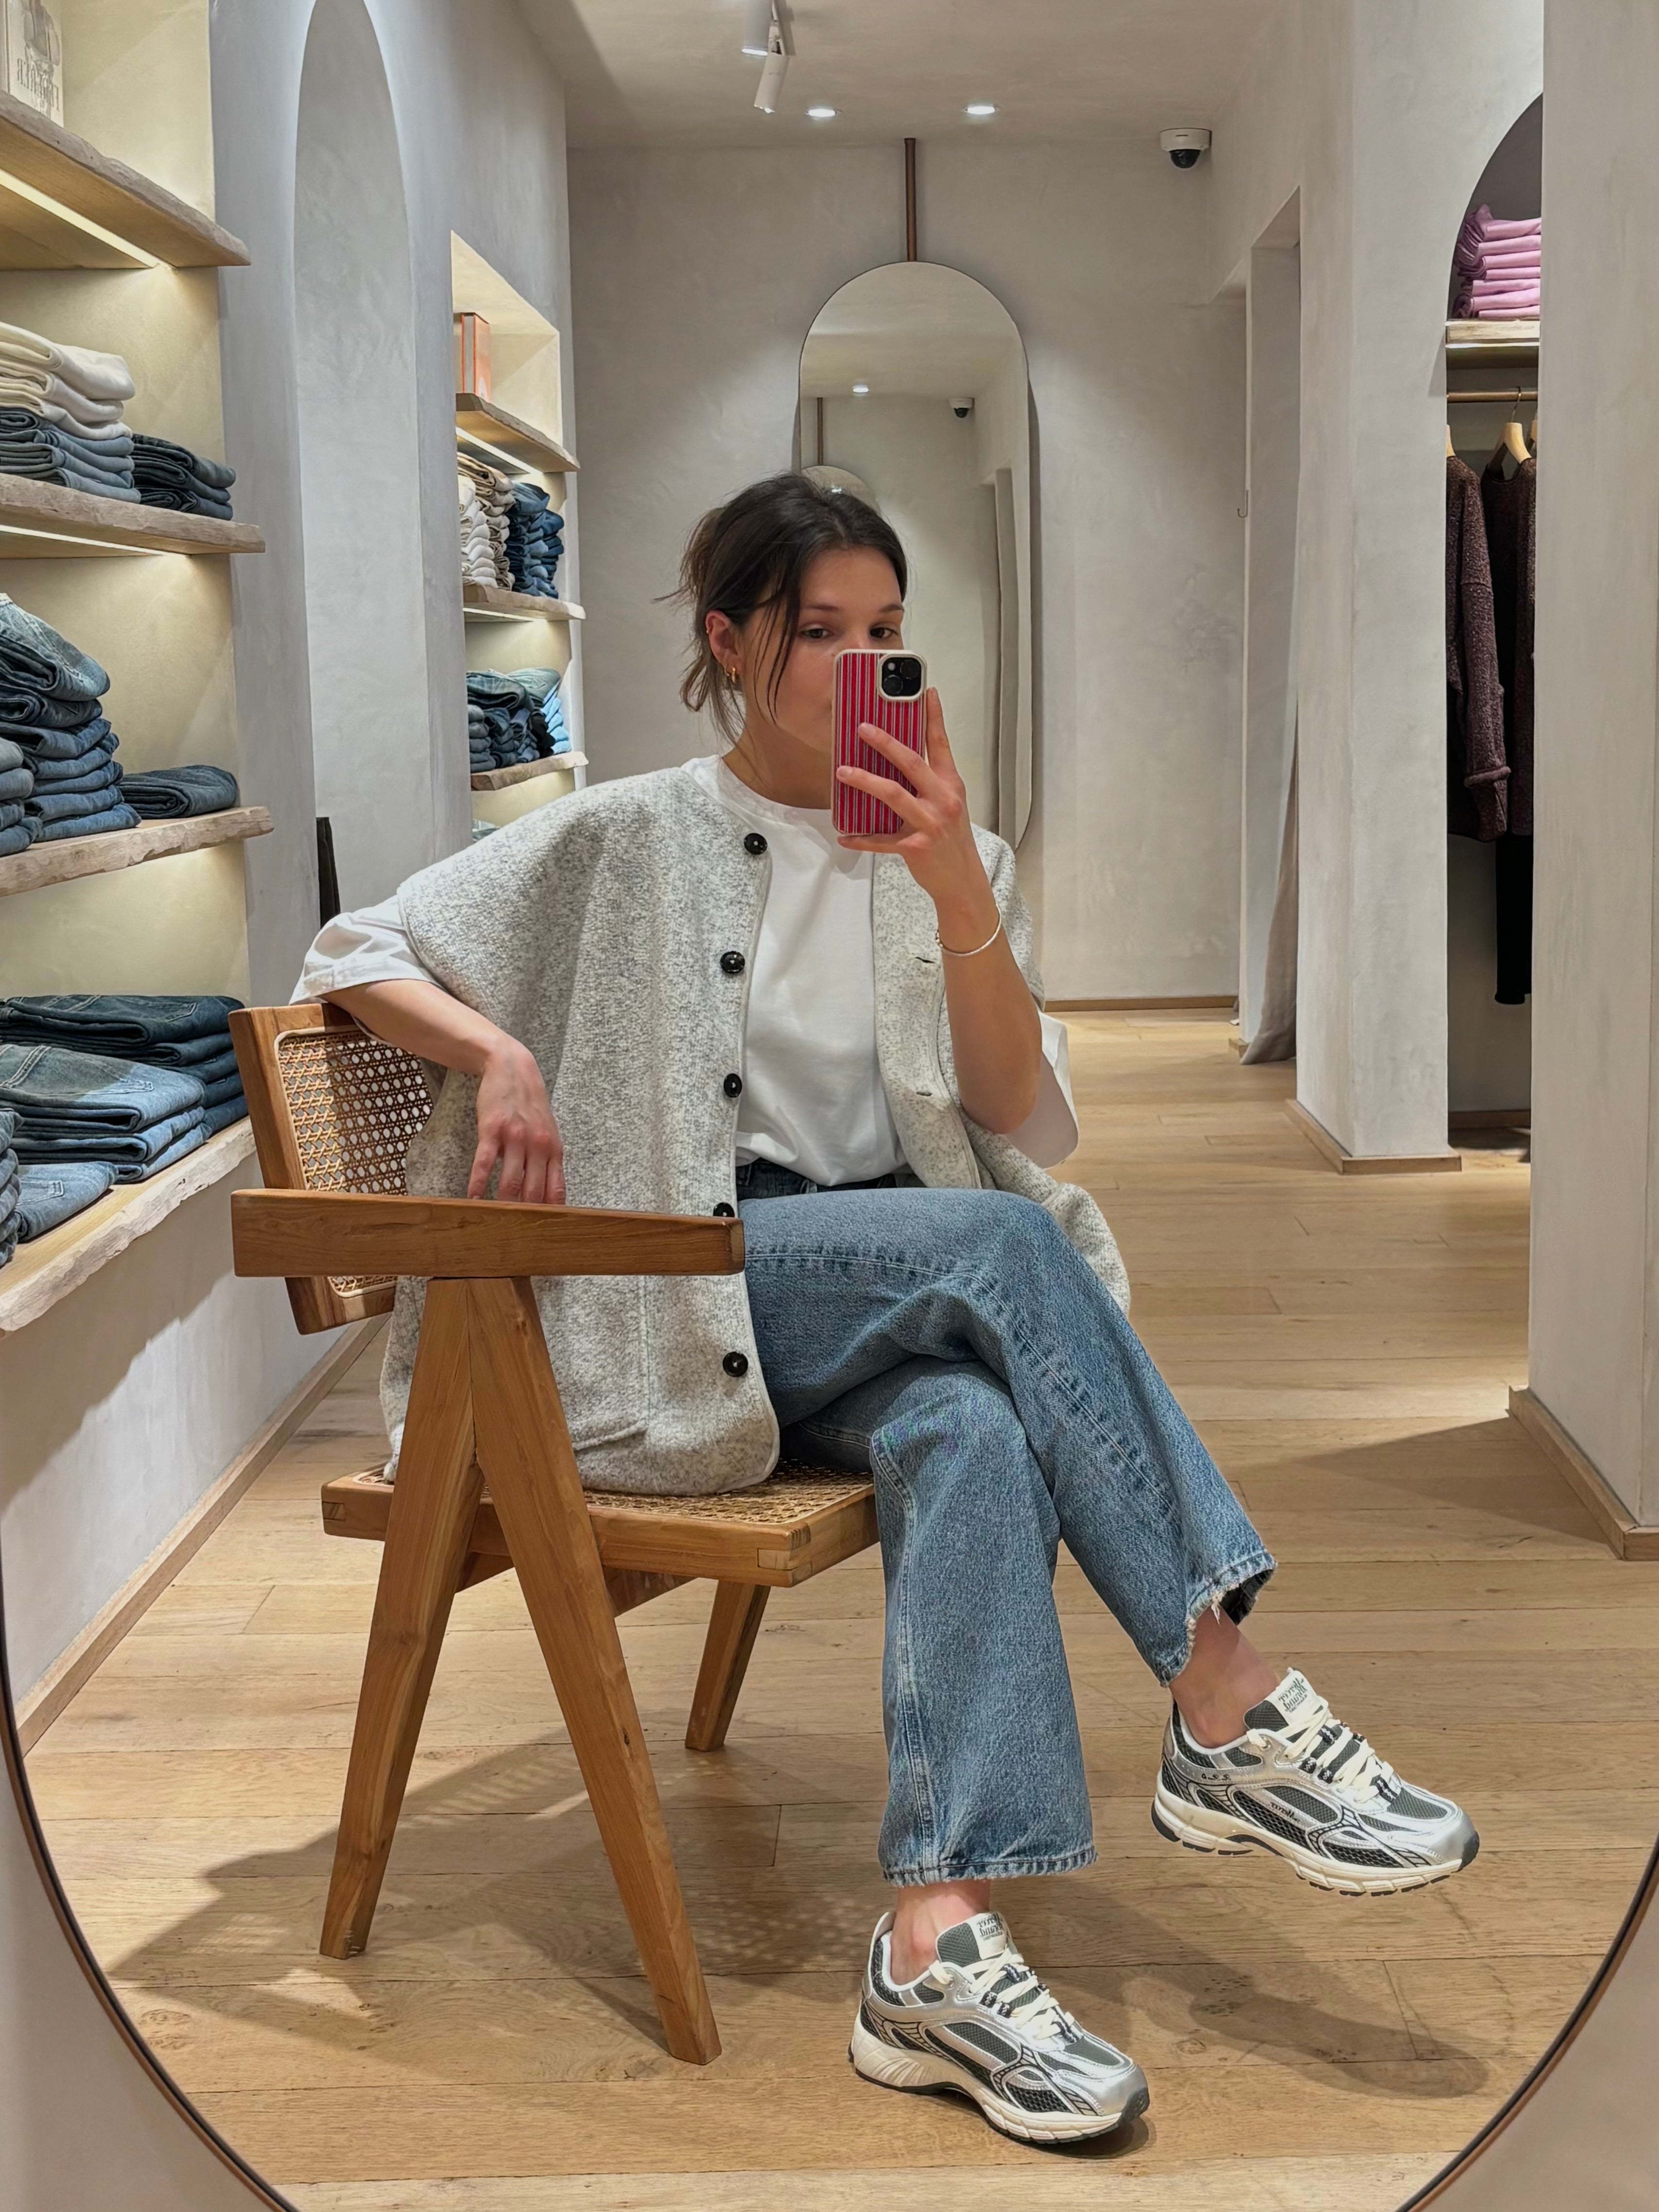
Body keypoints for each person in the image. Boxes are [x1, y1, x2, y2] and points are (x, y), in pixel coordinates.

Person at [297, 472, 1477, 2149]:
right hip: (674, 1291)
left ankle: (932, 1945)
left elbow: (1015, 1115)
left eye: (887, 631)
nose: (864, 664)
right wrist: (499, 1054)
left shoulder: (951, 856)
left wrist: (956, 893)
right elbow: (352, 950)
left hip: (870, 1291)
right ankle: (1222, 1685)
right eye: (820, 632)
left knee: (973, 1426)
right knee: (998, 1252)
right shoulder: (625, 833)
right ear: (728, 644)